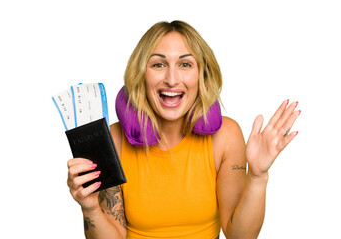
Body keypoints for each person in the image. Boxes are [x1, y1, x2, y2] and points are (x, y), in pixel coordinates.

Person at [67, 20, 300, 239]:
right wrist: (90, 208)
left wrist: (258, 177)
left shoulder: (225, 136)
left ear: (201, 75)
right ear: (141, 74)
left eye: (185, 64)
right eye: (158, 64)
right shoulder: (114, 139)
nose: (171, 79)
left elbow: (239, 235)